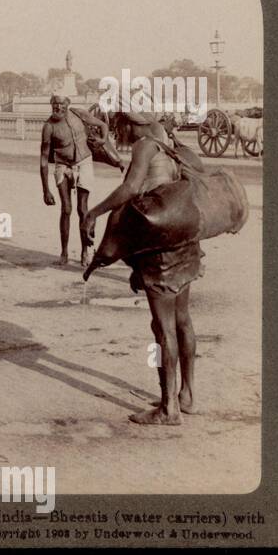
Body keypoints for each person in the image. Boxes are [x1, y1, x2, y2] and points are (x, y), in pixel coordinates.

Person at [84, 112, 203, 426]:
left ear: (131, 123)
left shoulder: (144, 145)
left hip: (158, 247)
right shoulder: (168, 143)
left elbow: (131, 188)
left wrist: (93, 213)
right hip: (183, 242)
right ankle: (186, 396)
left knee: (162, 327)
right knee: (182, 320)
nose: (119, 133)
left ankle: (168, 410)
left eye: (120, 126)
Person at [40, 95, 109, 266]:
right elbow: (43, 159)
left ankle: (85, 252)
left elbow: (102, 125)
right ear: (51, 105)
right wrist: (46, 190)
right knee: (66, 209)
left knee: (82, 209)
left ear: (68, 104)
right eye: (54, 104)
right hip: (62, 166)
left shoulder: (79, 114)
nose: (58, 107)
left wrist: (103, 139)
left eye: (61, 104)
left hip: (83, 163)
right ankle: (64, 252)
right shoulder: (48, 127)